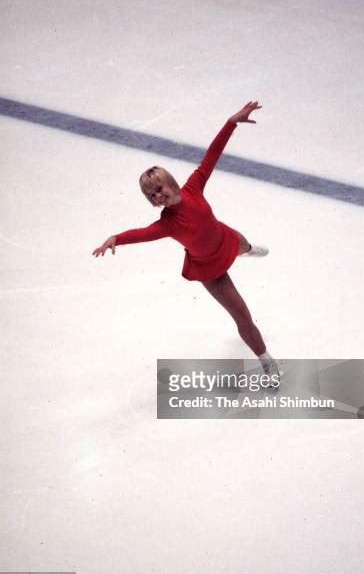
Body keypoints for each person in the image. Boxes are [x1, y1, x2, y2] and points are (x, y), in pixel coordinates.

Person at [93, 101, 278, 377]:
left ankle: (247, 250)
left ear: (171, 182)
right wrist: (116, 238)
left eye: (159, 188)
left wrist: (231, 122)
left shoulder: (194, 186)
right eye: (151, 195)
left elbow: (212, 155)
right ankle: (267, 361)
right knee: (242, 316)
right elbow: (142, 234)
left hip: (227, 239)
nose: (158, 195)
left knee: (243, 244)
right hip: (209, 269)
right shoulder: (167, 224)